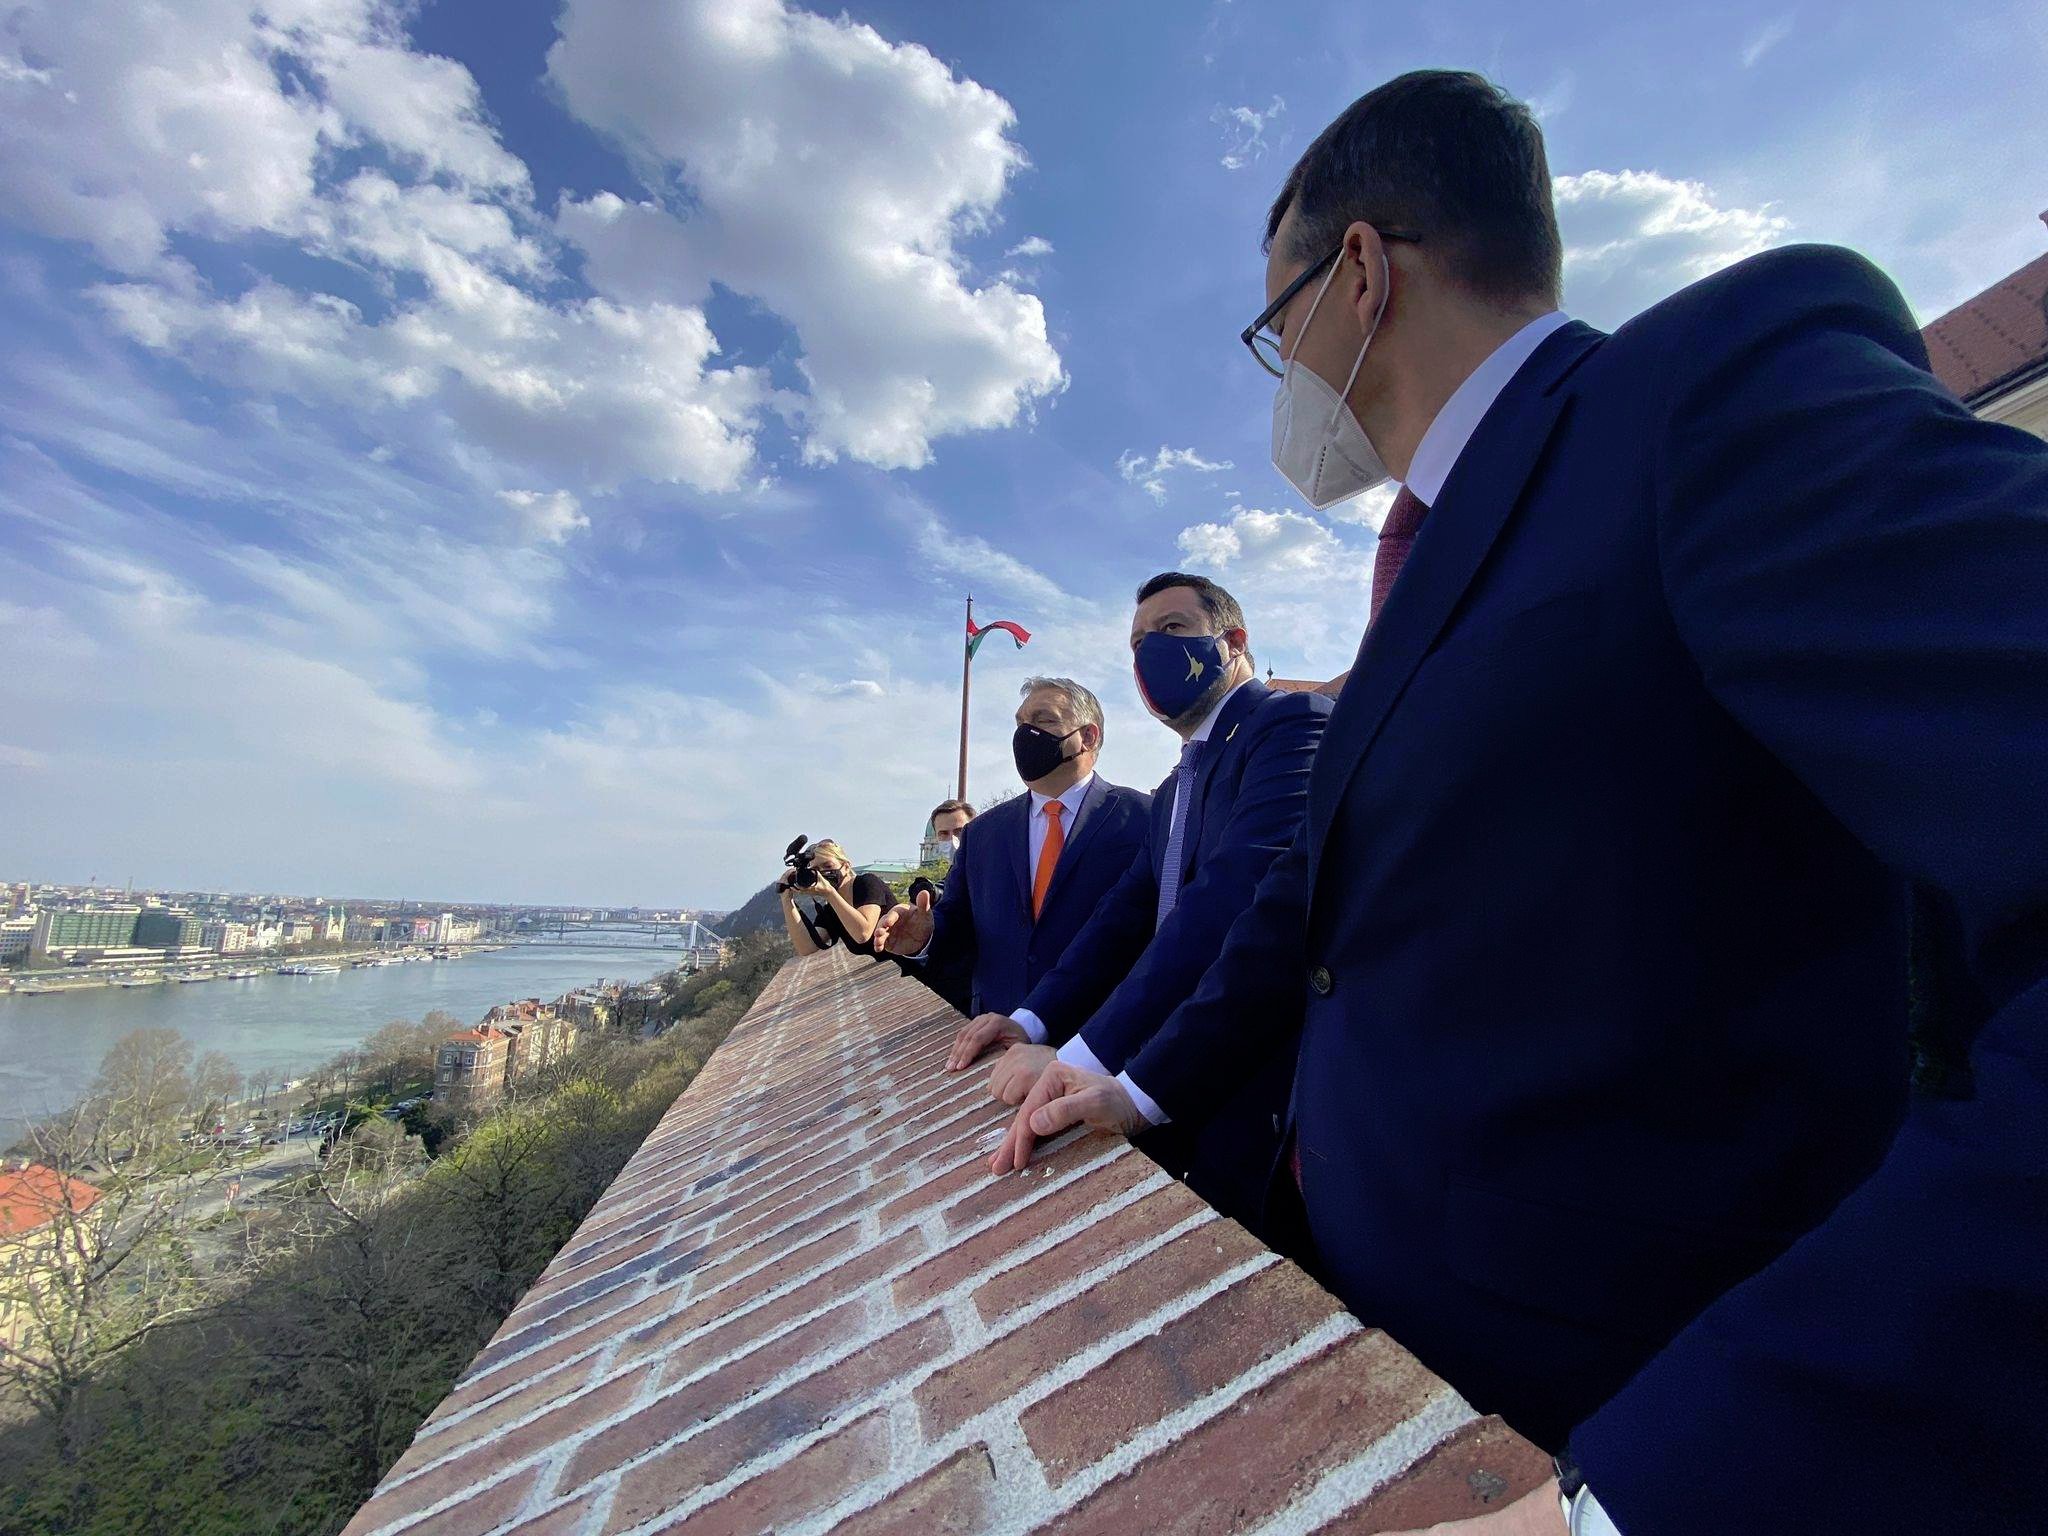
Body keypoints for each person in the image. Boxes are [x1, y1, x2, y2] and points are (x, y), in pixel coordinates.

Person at [991, 69, 2048, 1536]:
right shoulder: (1425, 558)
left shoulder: (1711, 393)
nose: (1282, 378)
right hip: (1374, 1324)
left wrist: (1651, 1496)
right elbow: (1312, 903)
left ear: (1359, 274)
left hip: (1630, 1389)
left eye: (1276, 328)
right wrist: (1132, 1086)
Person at [947, 573, 1332, 1228]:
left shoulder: (1290, 726)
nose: (1149, 651)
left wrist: (1078, 1059)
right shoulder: (1176, 785)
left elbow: (1229, 899)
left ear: (1234, 641)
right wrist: (1031, 1022)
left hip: (1269, 1089)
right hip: (1178, 1079)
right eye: (1135, 643)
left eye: (1172, 628)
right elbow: (1122, 919)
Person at [873, 679, 1149, 1018]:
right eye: (1020, 723)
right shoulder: (983, 834)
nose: (1025, 733)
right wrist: (926, 934)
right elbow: (959, 922)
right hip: (1000, 1033)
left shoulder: (1145, 818)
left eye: (1043, 719)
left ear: (1088, 736)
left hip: (1103, 1036)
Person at [776, 839, 891, 957]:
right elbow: (807, 947)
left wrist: (829, 893)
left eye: (828, 866)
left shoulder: (867, 883)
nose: (822, 873)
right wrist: (786, 898)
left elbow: (863, 933)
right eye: (816, 870)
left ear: (846, 866)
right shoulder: (832, 909)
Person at [907, 798, 975, 905]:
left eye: (959, 831)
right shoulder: (950, 880)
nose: (952, 839)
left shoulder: (992, 868)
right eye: (944, 833)